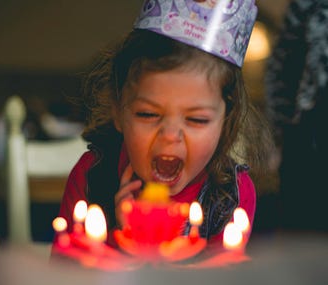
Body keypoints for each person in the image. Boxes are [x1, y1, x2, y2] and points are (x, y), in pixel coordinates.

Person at [52, 0, 272, 255]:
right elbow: (65, 275)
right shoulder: (92, 177)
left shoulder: (231, 196)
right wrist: (121, 240)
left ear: (226, 121)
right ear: (118, 110)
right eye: (148, 114)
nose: (170, 136)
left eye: (197, 119)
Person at [265, 0, 328, 231]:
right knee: (303, 237)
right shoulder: (308, 4)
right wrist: (282, 135)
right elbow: (284, 65)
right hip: (310, 136)